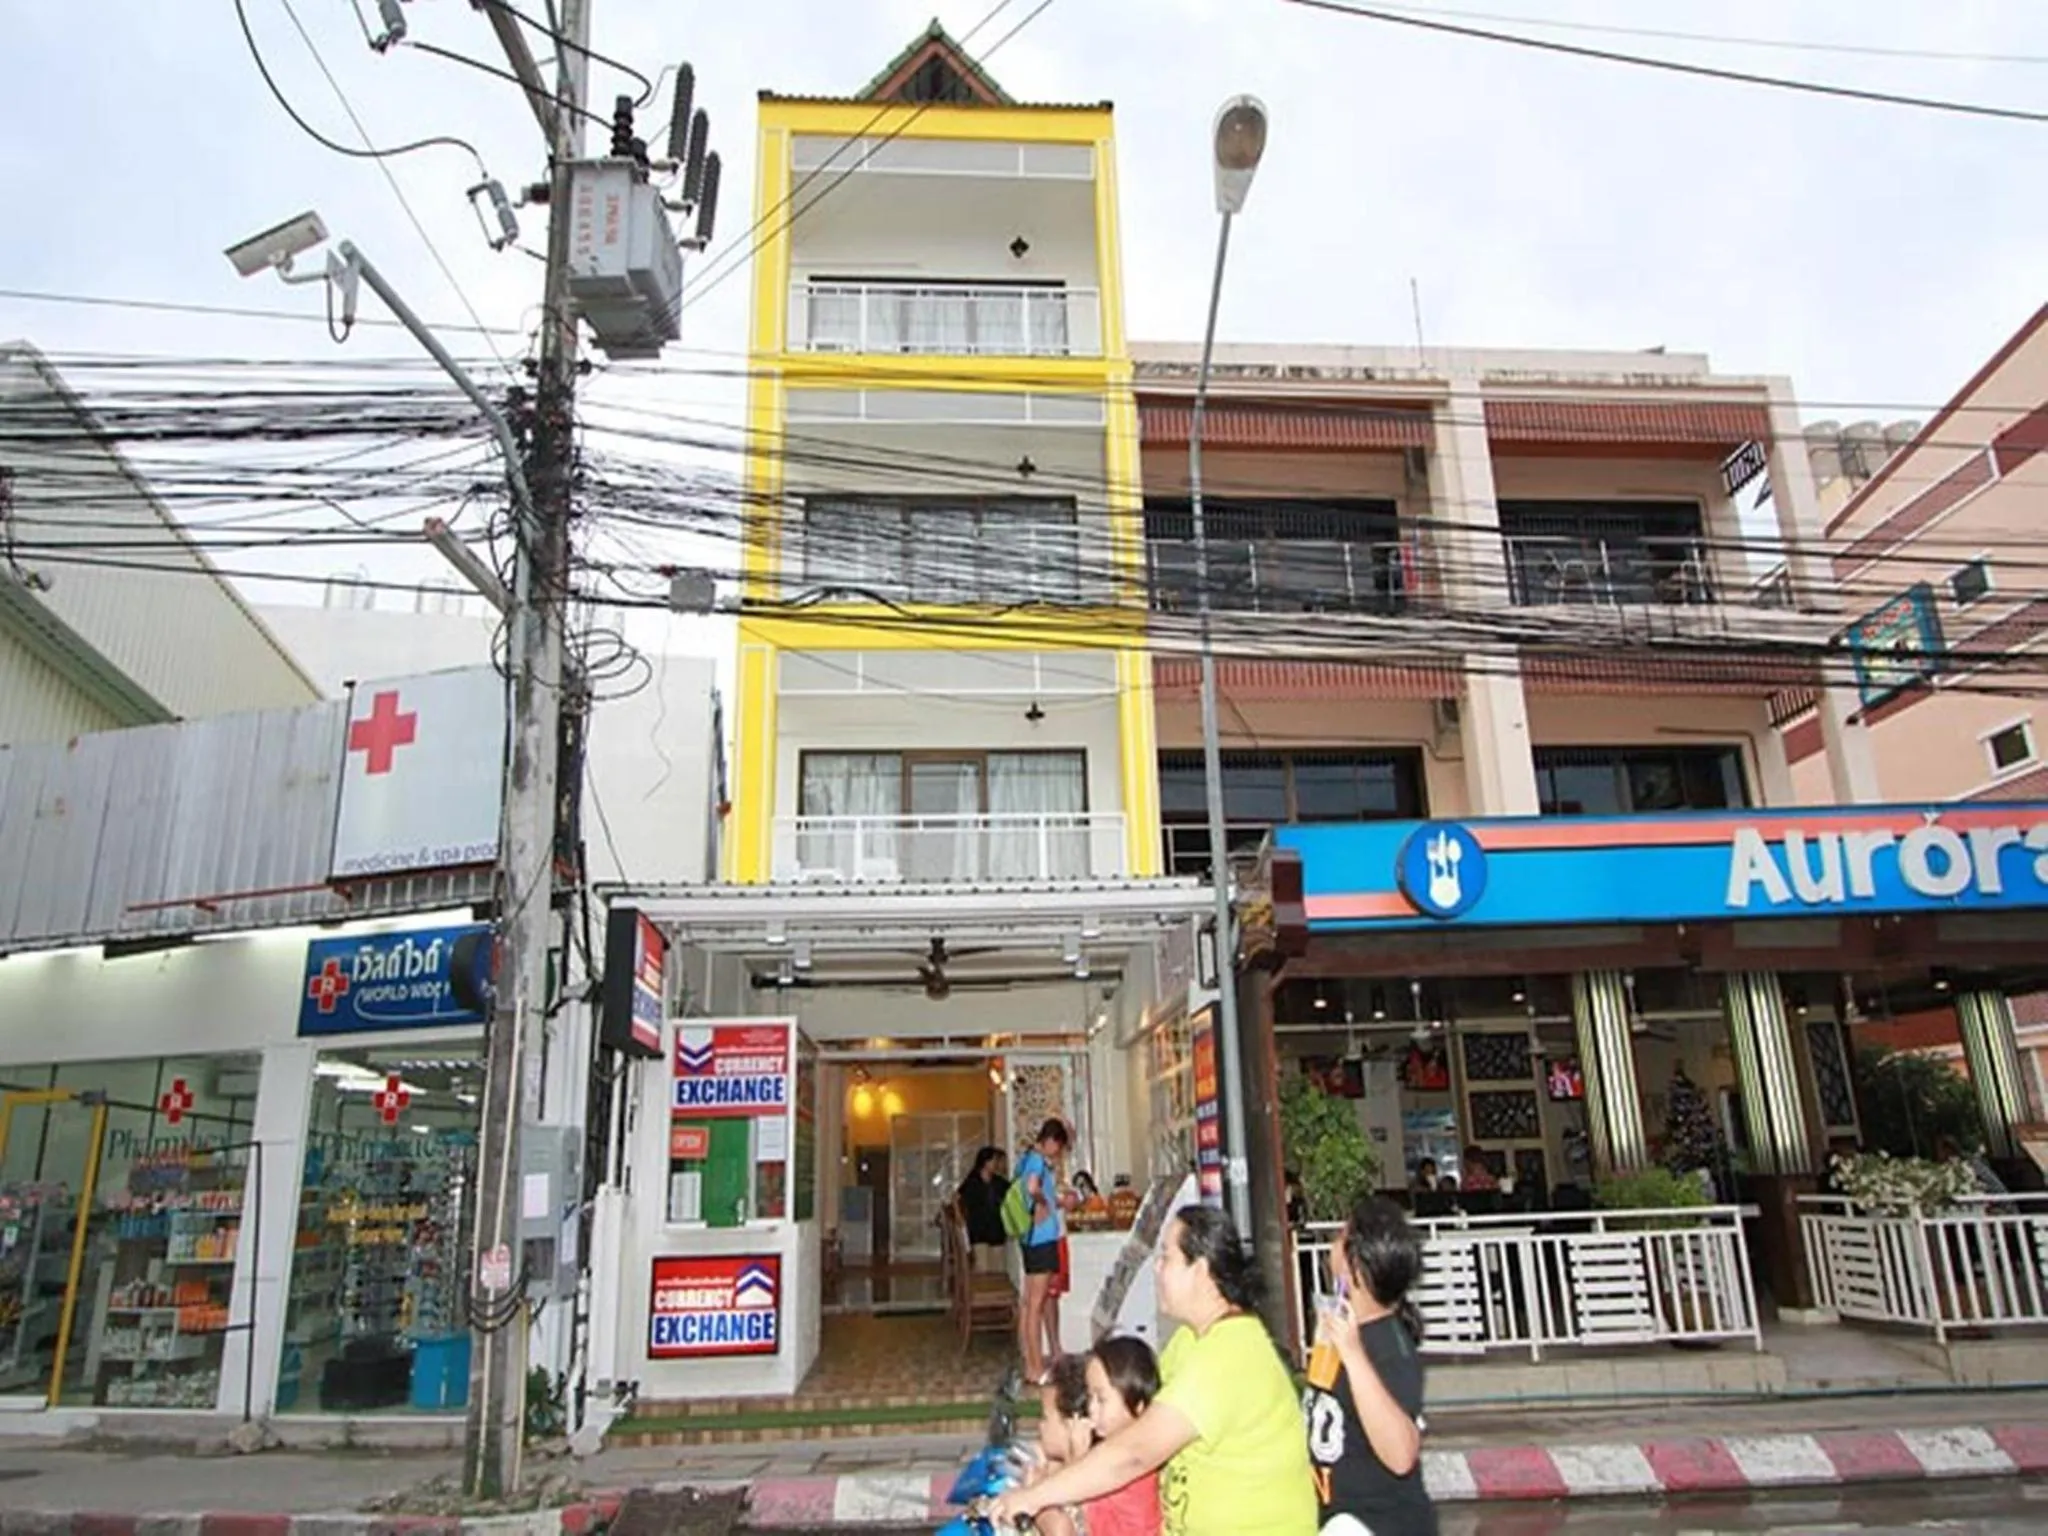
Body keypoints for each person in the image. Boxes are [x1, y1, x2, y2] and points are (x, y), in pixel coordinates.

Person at [987, 1205, 1318, 1536]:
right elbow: (1133, 1407)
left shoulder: (1229, 1356)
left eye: (1166, 1258)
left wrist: (1034, 1497)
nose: (1157, 1268)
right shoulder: (1192, 1338)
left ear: (1200, 1271)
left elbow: (1135, 1453)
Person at [1304, 1196, 1437, 1536]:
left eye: (1339, 1237)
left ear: (1355, 1266)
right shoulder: (1343, 1327)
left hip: (1378, 1525)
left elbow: (1400, 1453)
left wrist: (1352, 1354)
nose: (1331, 1244)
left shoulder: (1387, 1346)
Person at [1078, 1336, 1164, 1536]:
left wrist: (1076, 1458)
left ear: (1138, 1406)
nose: (1091, 1408)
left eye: (1101, 1399)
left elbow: (1095, 1523)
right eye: (1090, 1397)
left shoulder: (1134, 1464)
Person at [1017, 1117, 1072, 1385]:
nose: (1058, 1153)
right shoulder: (1038, 1161)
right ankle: (1036, 1367)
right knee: (1036, 1305)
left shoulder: (1027, 1158)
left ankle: (1030, 1362)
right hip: (1042, 1239)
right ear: (1050, 1141)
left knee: (1028, 1303)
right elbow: (1032, 1189)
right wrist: (1043, 1205)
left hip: (1030, 1238)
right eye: (1058, 1147)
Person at [1030, 1354, 1097, 1536]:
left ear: (1071, 1425)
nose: (1040, 1425)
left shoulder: (1088, 1484)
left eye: (1045, 1417)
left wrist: (1032, 1489)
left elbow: (1060, 1530)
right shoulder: (1064, 1468)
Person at [958, 1146, 1010, 1270]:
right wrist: (960, 1219)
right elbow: (957, 1197)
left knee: (998, 1266)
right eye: (993, 1160)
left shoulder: (999, 1182)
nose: (996, 1164)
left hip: (997, 1230)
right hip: (978, 1230)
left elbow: (1011, 1195)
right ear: (985, 1162)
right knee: (981, 1266)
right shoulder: (972, 1181)